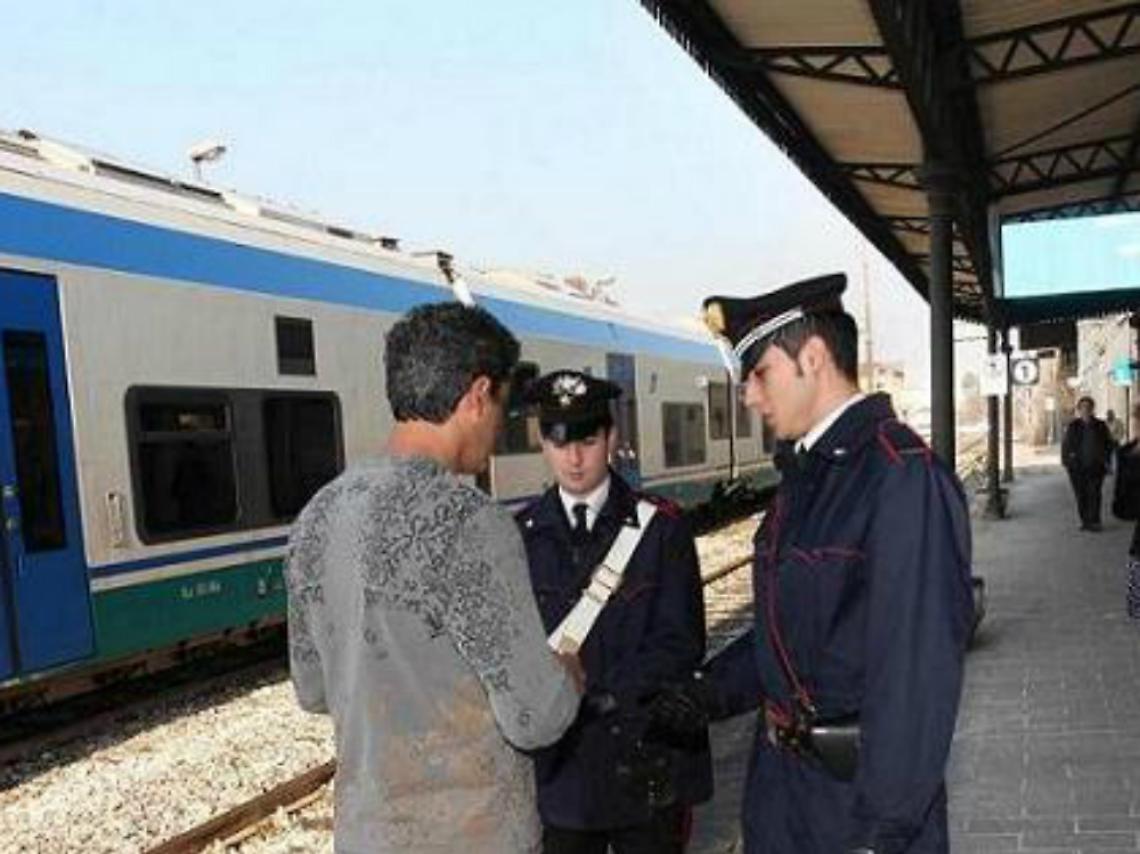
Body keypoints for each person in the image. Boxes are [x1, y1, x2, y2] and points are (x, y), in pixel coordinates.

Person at [648, 273, 975, 854]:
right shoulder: (807, 476)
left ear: (814, 357)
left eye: (759, 374)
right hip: (783, 798)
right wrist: (707, 692)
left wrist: (882, 836)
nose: (749, 397)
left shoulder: (899, 477)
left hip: (855, 812)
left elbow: (915, 682)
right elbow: (796, 632)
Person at [284, 302, 583, 854]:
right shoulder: (470, 521)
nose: (498, 427)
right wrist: (565, 676)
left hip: (366, 838)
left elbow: (314, 689)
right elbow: (535, 718)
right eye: (501, 407)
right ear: (477, 395)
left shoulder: (316, 517)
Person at [515, 369, 713, 854]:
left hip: (643, 765)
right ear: (543, 444)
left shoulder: (661, 529)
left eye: (587, 440)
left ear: (610, 438)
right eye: (560, 442)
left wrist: (603, 695)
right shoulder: (520, 537)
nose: (574, 458)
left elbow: (681, 643)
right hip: (561, 777)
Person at [1062, 396, 1112, 531]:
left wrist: (1106, 461)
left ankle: (1095, 521)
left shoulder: (1100, 425)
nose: (1086, 410)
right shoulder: (1073, 426)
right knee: (1081, 495)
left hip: (1096, 466)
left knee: (1095, 494)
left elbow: (1108, 444)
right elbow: (1066, 446)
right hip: (1077, 468)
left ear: (1092, 409)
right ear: (1079, 409)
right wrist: (1067, 463)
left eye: (1088, 407)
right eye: (1083, 407)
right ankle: (1085, 521)